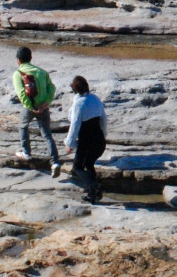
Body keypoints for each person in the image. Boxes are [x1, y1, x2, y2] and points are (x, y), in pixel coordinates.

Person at [11, 46, 60, 175]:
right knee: (47, 134)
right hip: (43, 106)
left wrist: (31, 107)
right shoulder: (42, 72)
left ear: (18, 60)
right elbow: (52, 88)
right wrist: (46, 103)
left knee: (23, 126)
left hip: (30, 107)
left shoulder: (18, 74)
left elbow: (21, 94)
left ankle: (26, 152)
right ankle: (55, 162)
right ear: (31, 58)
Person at [64, 75, 108, 203]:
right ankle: (93, 195)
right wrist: (104, 135)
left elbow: (74, 125)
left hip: (87, 142)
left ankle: (95, 187)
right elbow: (104, 119)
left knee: (77, 167)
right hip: (99, 140)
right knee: (89, 164)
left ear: (75, 89)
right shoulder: (95, 98)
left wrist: (69, 143)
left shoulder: (79, 104)